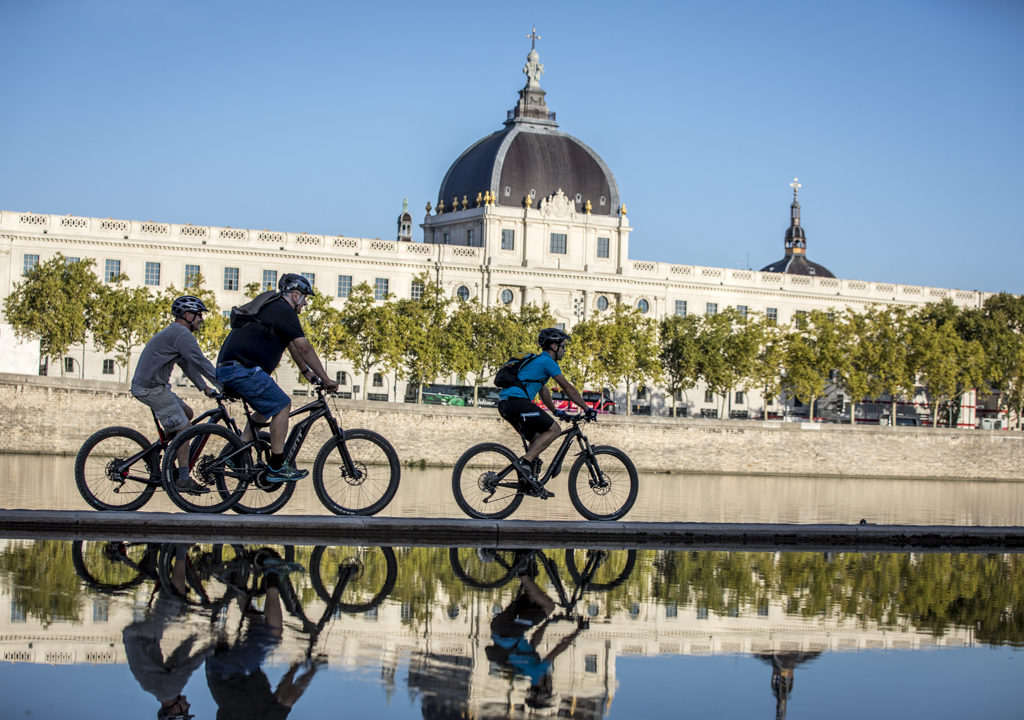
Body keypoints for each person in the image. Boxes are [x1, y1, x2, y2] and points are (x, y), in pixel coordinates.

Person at [216, 273, 338, 481]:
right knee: (282, 405)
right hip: (242, 370)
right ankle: (277, 466)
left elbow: (291, 345)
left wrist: (306, 372)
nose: (305, 303)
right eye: (305, 298)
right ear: (295, 294)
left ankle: (237, 452)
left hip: (232, 368)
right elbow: (304, 348)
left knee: (266, 409)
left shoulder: (272, 308)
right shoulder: (284, 310)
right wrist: (326, 379)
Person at [206, 554, 323, 720]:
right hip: (215, 673)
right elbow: (283, 691)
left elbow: (288, 697)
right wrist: (295, 667)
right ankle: (235, 580)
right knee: (255, 622)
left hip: (234, 671)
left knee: (273, 635)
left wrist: (312, 669)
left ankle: (272, 574)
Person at [131, 295, 220, 495]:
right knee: (185, 429)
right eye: (199, 315)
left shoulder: (176, 333)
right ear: (188, 315)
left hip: (155, 386)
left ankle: (160, 451)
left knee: (187, 413)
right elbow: (200, 362)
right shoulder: (183, 335)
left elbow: (186, 364)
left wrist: (204, 388)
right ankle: (183, 478)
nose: (202, 320)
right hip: (151, 388)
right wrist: (224, 384)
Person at [497, 327, 596, 497]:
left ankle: (528, 482)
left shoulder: (538, 363)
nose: (565, 350)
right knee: (555, 430)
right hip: (517, 402)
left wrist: (556, 411)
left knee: (537, 440)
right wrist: (587, 409)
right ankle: (524, 463)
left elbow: (543, 392)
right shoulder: (547, 362)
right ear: (554, 346)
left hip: (507, 404)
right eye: (563, 346)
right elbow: (568, 388)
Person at [123, 544, 212, 720]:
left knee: (175, 603)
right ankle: (159, 553)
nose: (189, 706)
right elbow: (179, 658)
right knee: (172, 607)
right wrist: (194, 639)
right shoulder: (159, 689)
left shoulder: (169, 691)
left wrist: (210, 648)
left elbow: (188, 666)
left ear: (174, 711)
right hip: (142, 636)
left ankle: (180, 550)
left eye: (185, 711)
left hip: (140, 635)